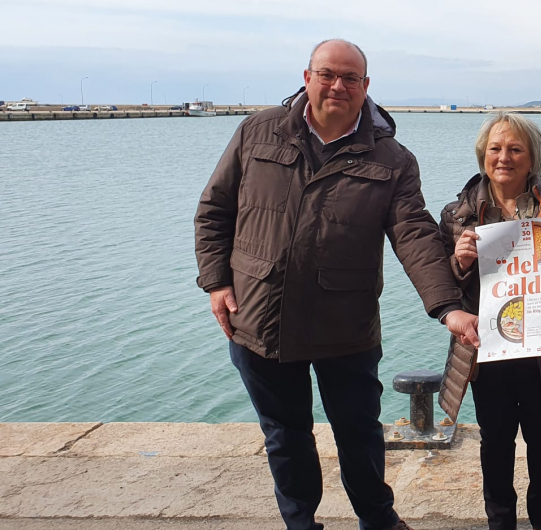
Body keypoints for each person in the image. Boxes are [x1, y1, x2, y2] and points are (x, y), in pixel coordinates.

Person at [194, 38, 479, 530]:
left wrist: (448, 308)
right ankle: (300, 521)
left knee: (358, 430)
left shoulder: (393, 159)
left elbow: (412, 233)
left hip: (344, 322)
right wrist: (216, 281)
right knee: (285, 433)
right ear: (307, 78)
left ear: (366, 88)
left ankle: (378, 519)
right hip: (260, 315)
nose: (338, 86)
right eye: (328, 74)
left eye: (351, 78)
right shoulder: (257, 132)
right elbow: (214, 211)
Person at [436, 112, 541, 530]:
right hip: (487, 348)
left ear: (532, 159)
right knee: (495, 442)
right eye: (495, 149)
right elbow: (444, 289)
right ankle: (500, 524)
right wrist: (460, 261)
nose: (503, 157)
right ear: (482, 156)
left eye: (514, 149)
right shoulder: (457, 215)